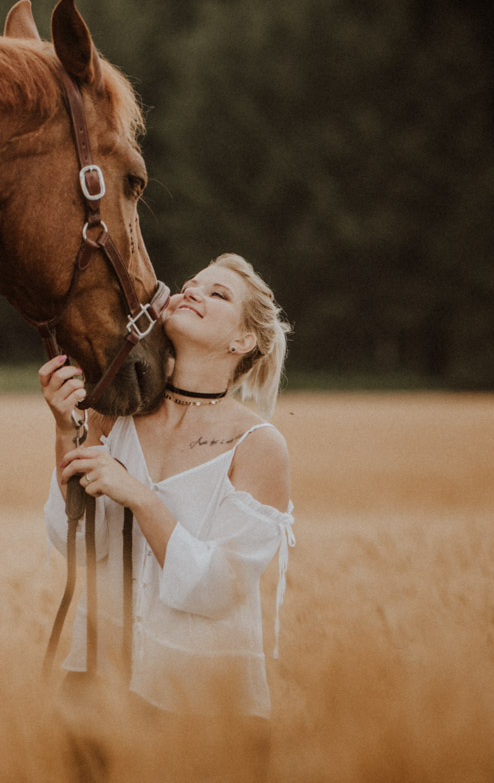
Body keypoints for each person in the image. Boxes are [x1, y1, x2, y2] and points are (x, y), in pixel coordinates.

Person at [41, 252, 293, 721]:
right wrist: (63, 431)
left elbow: (217, 588)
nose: (191, 291)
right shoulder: (112, 412)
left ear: (244, 339)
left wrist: (137, 493)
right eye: (190, 284)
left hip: (201, 706)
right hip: (96, 684)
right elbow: (76, 545)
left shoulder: (257, 446)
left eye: (217, 294)